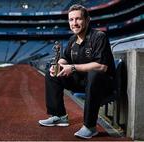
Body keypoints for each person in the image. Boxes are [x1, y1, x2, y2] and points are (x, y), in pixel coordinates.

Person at [38, 4, 116, 139]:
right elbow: (65, 58)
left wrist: (73, 68)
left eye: (78, 19)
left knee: (94, 73)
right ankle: (59, 116)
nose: (74, 23)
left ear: (87, 20)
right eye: (71, 20)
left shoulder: (99, 36)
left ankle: (90, 126)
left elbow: (101, 67)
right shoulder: (72, 40)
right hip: (83, 81)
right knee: (52, 71)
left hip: (103, 84)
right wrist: (58, 65)